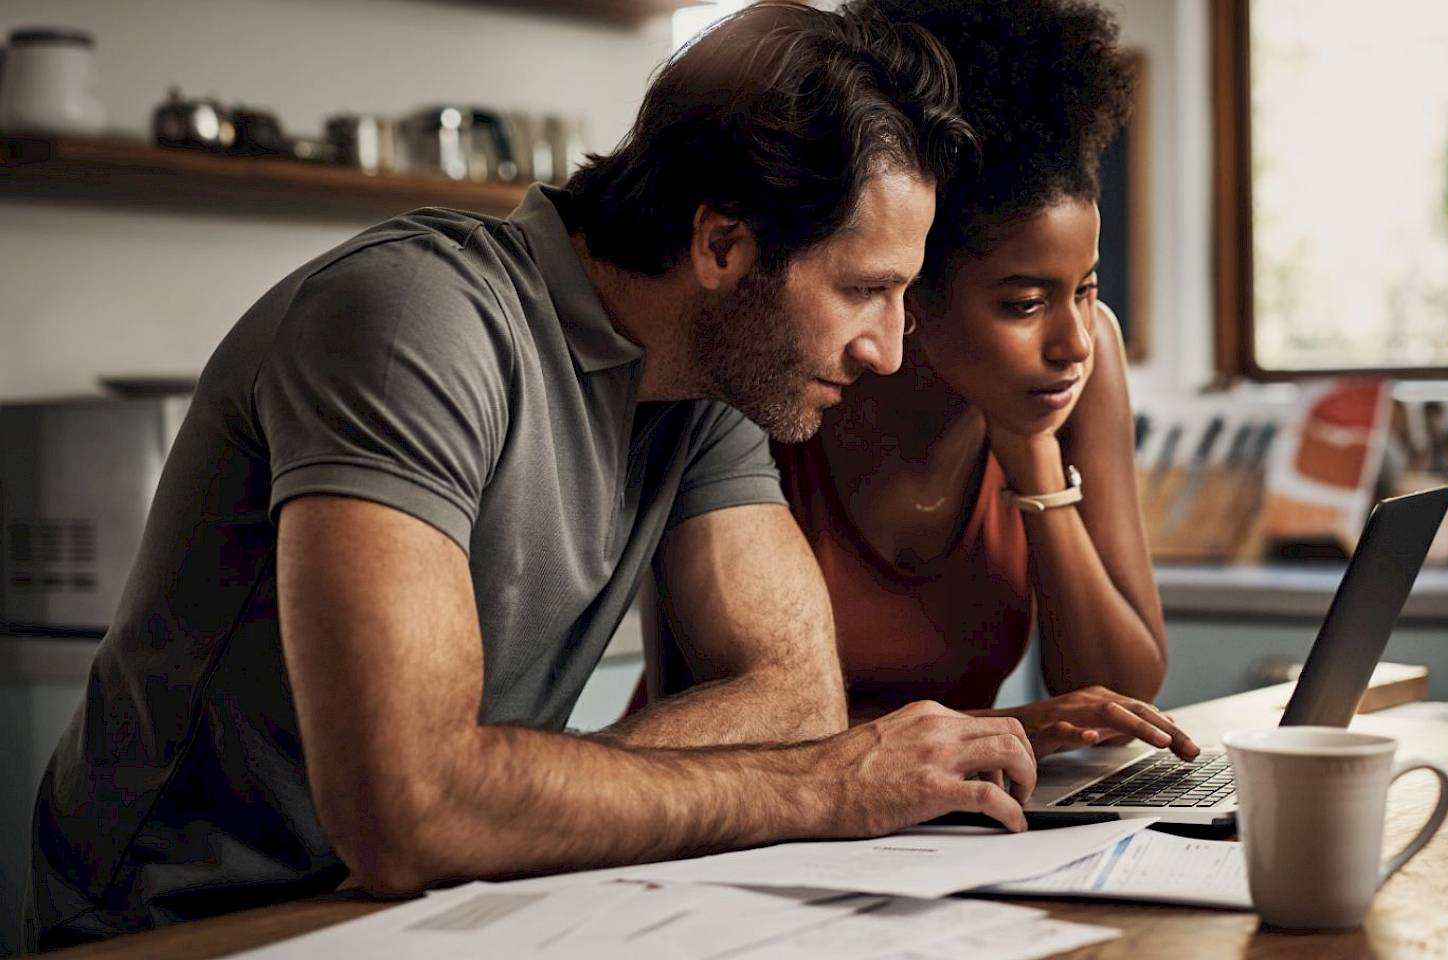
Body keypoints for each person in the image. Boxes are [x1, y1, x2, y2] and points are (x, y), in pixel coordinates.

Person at [25, 4, 1042, 950]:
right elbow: (408, 811)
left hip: (438, 905)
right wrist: (821, 790)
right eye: (864, 290)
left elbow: (794, 697)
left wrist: (510, 798)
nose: (888, 351)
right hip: (185, 928)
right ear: (722, 244)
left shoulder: (709, 382)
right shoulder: (413, 320)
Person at [638, 0, 1200, 762]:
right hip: (738, 817)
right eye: (1024, 303)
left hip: (937, 825)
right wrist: (1006, 728)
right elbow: (707, 712)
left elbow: (1123, 691)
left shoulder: (1078, 368)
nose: (1071, 340)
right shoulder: (781, 377)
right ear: (912, 288)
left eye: (1088, 287)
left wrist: (1032, 455)